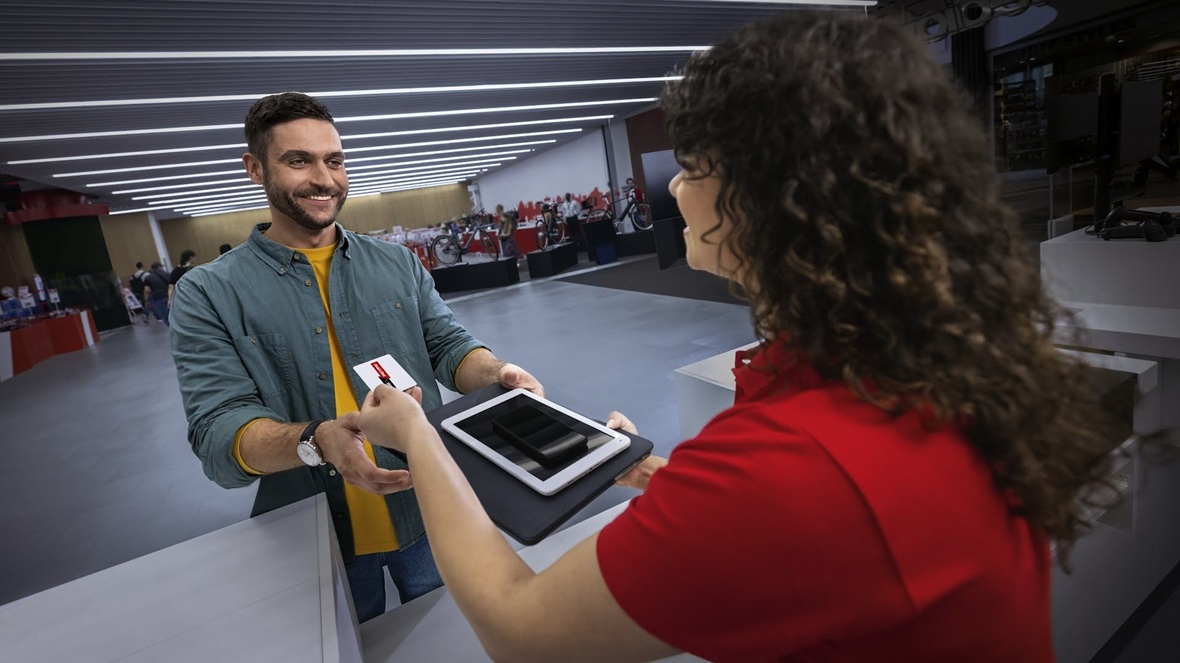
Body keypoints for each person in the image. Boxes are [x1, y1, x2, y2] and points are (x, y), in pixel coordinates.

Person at [354, 11, 1118, 662]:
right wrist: (675, 486)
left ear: (774, 195)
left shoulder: (791, 467)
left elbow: (518, 627)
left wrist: (417, 434)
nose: (676, 188)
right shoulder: (911, 363)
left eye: (694, 165)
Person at [168, 91, 543, 624]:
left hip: (427, 507)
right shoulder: (207, 293)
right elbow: (217, 431)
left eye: (334, 160)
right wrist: (314, 440)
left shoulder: (395, 263)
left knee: (453, 639)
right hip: (316, 533)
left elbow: (447, 346)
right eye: (298, 160)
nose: (324, 178)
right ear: (255, 168)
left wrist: (497, 373)